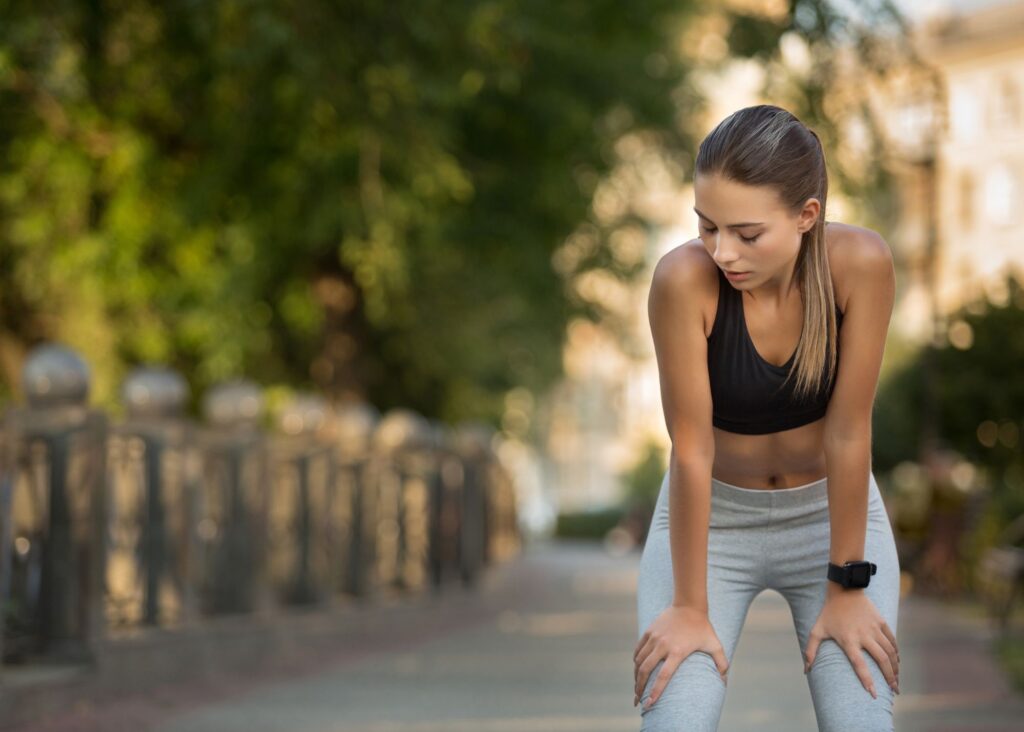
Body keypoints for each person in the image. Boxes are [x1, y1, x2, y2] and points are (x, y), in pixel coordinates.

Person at [633, 104, 901, 731]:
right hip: (714, 526)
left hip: (830, 521)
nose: (723, 252)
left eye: (747, 234)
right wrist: (689, 607)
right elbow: (691, 450)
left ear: (807, 215)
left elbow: (849, 430)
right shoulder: (682, 281)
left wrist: (848, 586)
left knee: (861, 720)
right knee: (675, 718)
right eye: (707, 227)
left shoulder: (861, 265)